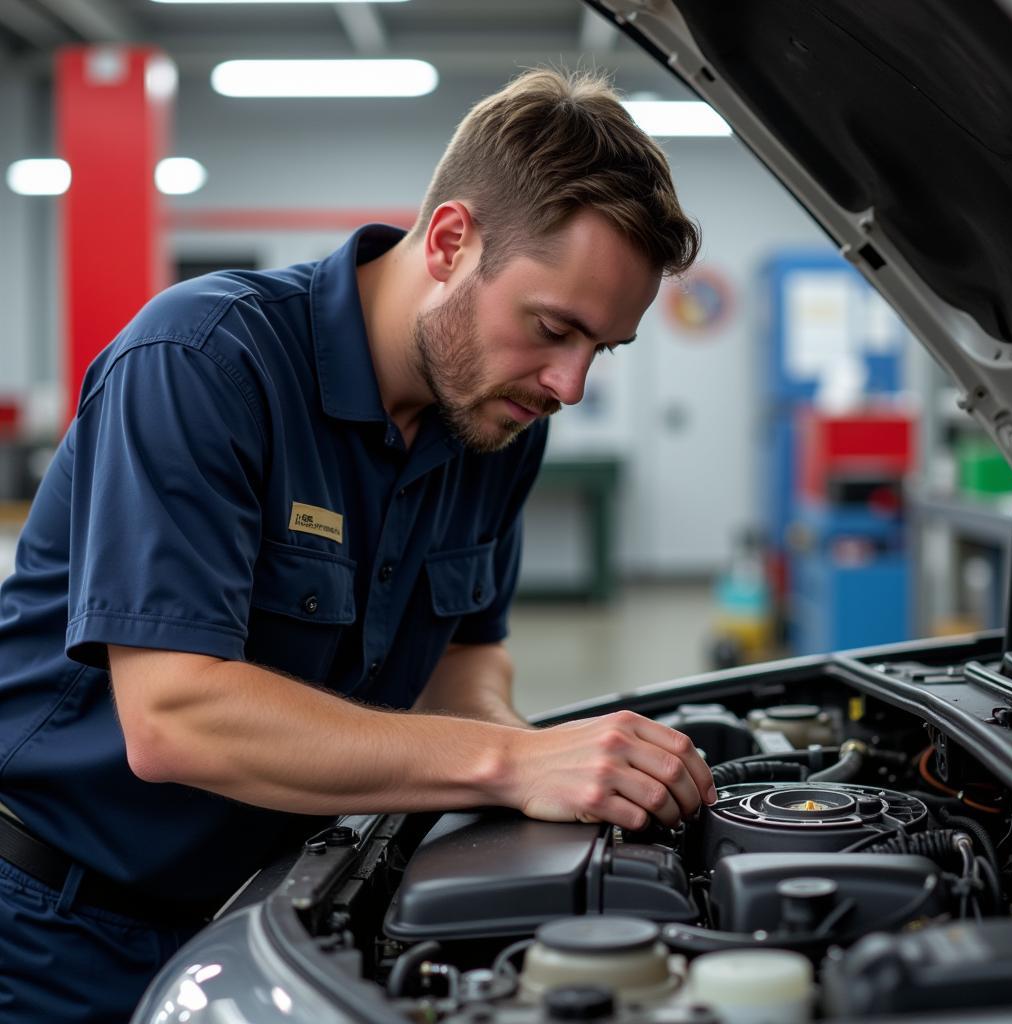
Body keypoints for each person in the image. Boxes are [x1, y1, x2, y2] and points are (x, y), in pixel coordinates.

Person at [0, 68, 711, 1020]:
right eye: (553, 329)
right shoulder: (204, 361)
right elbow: (174, 718)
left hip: (263, 910)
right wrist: (511, 764)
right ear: (453, 241)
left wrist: (549, 766)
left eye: (601, 350)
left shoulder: (494, 427)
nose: (569, 385)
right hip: (49, 925)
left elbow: (465, 663)